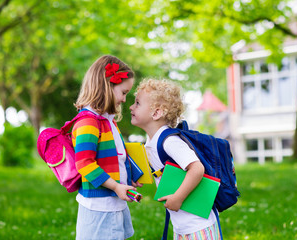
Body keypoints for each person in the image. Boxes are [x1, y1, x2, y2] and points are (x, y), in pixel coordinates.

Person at [129, 78, 221, 239]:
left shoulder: (169, 141)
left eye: (137, 103)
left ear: (156, 112)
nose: (131, 107)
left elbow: (197, 168)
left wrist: (178, 198)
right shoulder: (151, 142)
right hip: (181, 226)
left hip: (198, 226)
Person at [73, 55, 140, 240]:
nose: (125, 100)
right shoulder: (88, 122)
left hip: (112, 203)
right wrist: (115, 186)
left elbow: (115, 158)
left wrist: (127, 179)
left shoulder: (107, 121)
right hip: (100, 209)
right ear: (106, 87)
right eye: (124, 92)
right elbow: (85, 164)